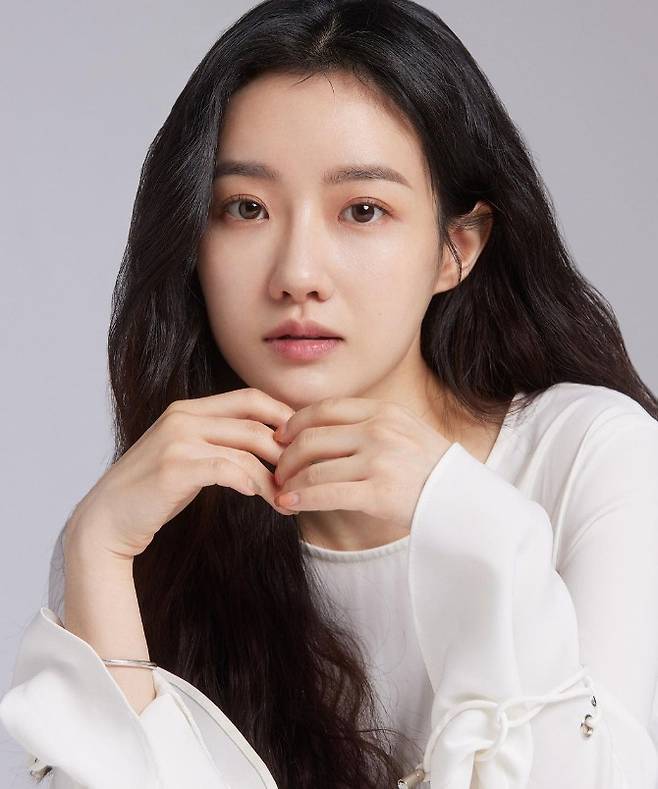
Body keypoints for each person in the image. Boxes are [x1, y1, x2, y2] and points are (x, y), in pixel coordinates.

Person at [2, 0, 657, 786]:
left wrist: (470, 520)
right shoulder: (161, 525)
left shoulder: (593, 458)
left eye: (363, 210)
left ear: (456, 248)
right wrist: (98, 551)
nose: (298, 274)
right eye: (246, 208)